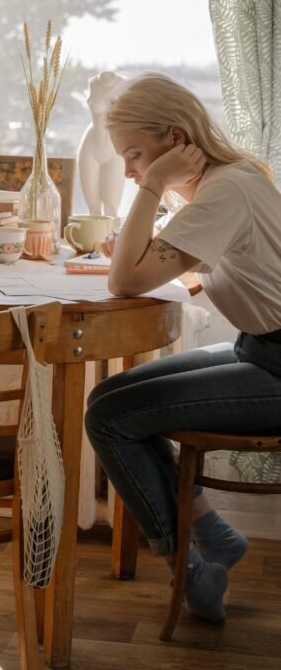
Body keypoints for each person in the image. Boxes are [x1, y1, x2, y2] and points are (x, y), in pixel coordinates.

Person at [84, 73, 281, 624]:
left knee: (110, 417)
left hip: (275, 367)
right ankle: (215, 536)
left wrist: (151, 190)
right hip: (258, 352)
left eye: (135, 155)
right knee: (112, 400)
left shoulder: (226, 192)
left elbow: (124, 283)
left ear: (174, 139)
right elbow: (174, 270)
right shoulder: (221, 187)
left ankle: (188, 569)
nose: (126, 169)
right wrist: (145, 236)